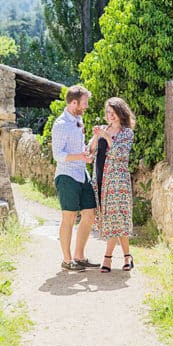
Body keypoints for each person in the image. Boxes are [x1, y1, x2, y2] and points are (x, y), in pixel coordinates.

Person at [51, 85, 99, 272]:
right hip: (66, 175)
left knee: (90, 213)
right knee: (69, 218)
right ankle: (66, 260)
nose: (86, 106)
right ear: (74, 103)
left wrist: (94, 139)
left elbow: (81, 149)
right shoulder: (61, 125)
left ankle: (79, 257)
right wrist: (81, 156)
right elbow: (58, 155)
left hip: (81, 173)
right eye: (84, 103)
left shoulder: (79, 120)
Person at [90, 97, 137, 273]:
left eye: (113, 113)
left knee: (116, 217)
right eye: (108, 113)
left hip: (118, 181)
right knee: (113, 218)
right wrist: (96, 136)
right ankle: (127, 256)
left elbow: (120, 154)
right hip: (101, 178)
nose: (110, 116)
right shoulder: (104, 129)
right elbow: (91, 150)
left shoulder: (126, 133)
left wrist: (107, 136)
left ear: (120, 113)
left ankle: (107, 258)